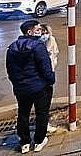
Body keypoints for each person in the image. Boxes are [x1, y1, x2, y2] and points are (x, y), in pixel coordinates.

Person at [6, 20, 56, 153]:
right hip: (40, 87)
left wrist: (17, 83)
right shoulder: (38, 46)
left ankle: (25, 143)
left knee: (23, 114)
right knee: (42, 113)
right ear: (30, 32)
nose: (40, 32)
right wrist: (51, 80)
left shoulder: (12, 47)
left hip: (21, 89)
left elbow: (10, 70)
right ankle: (39, 141)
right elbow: (45, 68)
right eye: (38, 29)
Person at [40, 24, 59, 134]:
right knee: (42, 104)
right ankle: (43, 128)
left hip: (48, 73)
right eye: (42, 33)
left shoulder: (51, 40)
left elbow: (55, 54)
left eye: (46, 33)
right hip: (41, 77)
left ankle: (44, 124)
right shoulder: (36, 45)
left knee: (45, 103)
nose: (44, 35)